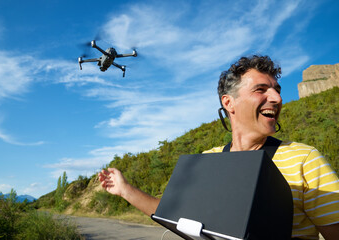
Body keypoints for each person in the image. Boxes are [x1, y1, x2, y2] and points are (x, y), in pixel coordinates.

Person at [99, 55, 339, 239]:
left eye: (276, 89)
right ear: (228, 102)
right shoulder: (209, 160)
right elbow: (174, 215)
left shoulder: (305, 159)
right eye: (260, 90)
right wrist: (124, 190)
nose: (276, 98)